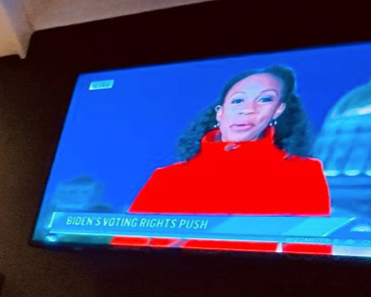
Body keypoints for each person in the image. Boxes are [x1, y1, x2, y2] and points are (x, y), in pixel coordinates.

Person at [123, 65, 331, 253]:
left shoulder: (302, 172)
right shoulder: (166, 177)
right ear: (220, 113)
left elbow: (311, 253)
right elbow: (126, 249)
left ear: (278, 110)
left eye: (265, 99)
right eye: (238, 100)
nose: (248, 109)